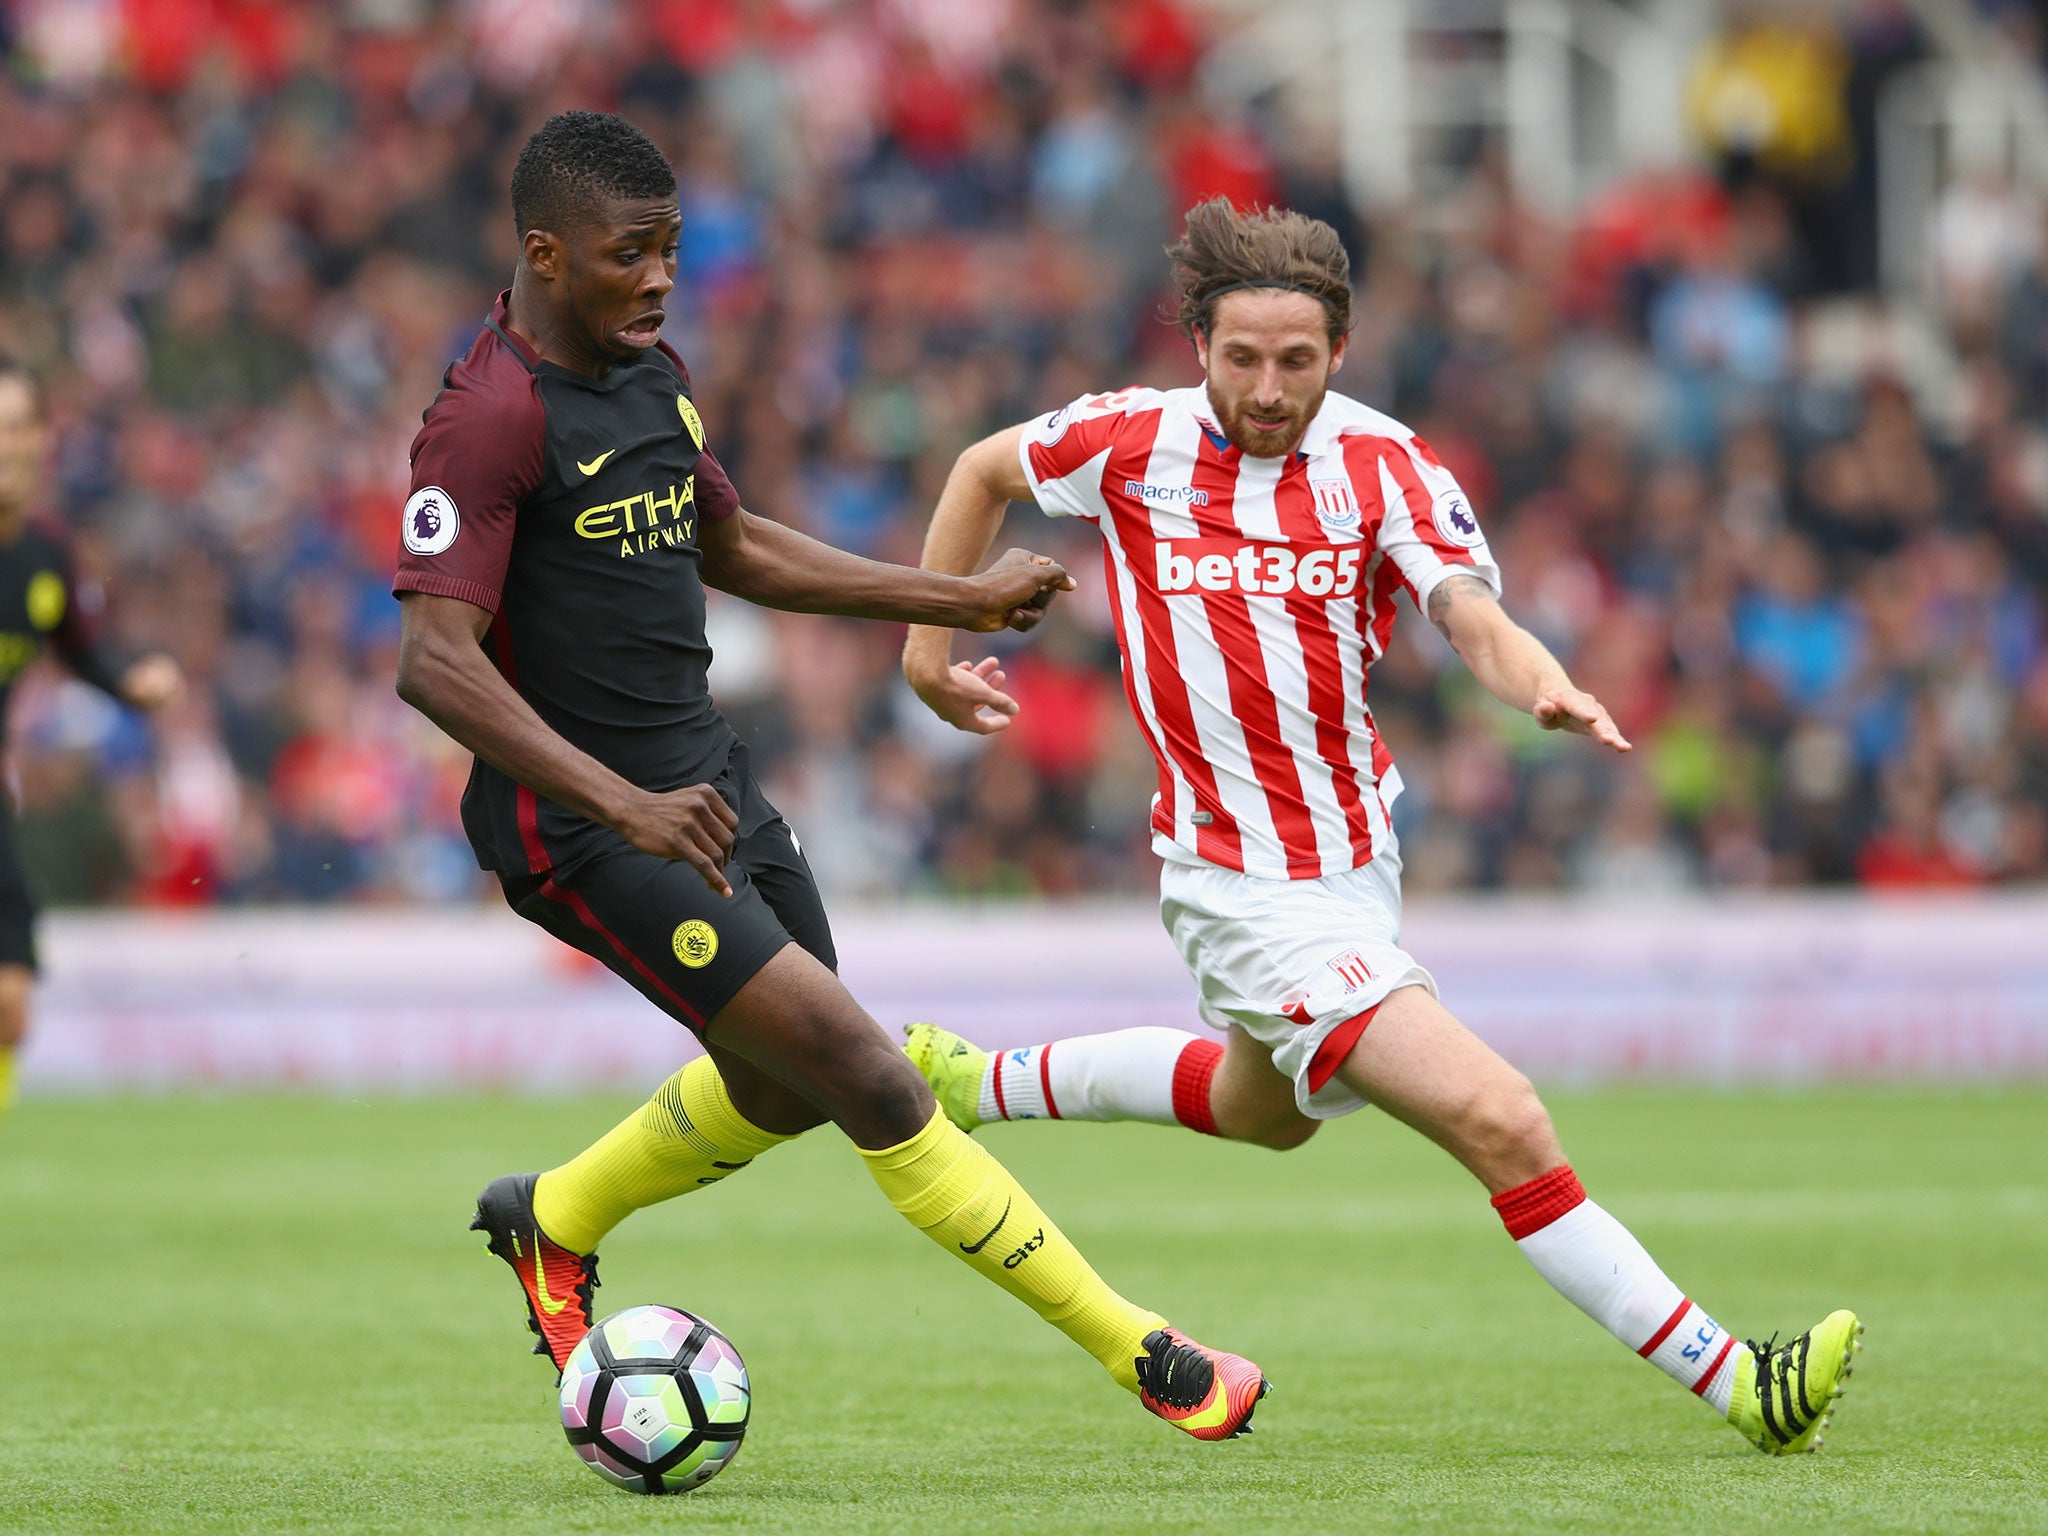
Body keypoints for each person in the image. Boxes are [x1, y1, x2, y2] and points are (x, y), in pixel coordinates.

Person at [900, 198, 1861, 1457]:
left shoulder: (1384, 465)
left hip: (1356, 867)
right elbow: (981, 469)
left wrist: (1537, 681)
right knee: (1502, 1119)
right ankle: (1737, 1380)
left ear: (1338, 350)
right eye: (1239, 357)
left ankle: (978, 1082)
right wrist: (930, 649)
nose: (1264, 387)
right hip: (1238, 882)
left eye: (1294, 361)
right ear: (1197, 342)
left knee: (1267, 1111)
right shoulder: (1126, 442)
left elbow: (1463, 608)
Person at [391, 113, 1267, 1442]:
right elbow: (434, 666)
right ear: (545, 253)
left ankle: (551, 1216)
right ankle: (1148, 1355)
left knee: (785, 1086)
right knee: (870, 1076)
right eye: (633, 255)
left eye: (672, 251)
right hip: (583, 828)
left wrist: (952, 596)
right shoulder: (488, 418)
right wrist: (619, 804)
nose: (662, 279)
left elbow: (732, 548)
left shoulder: (650, 373)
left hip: (707, 790)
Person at [0, 357, 182, 1117]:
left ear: (44, 437)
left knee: (11, 1002)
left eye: (16, 426)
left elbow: (80, 646)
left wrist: (131, 683)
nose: (4, 444)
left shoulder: (46, 554)